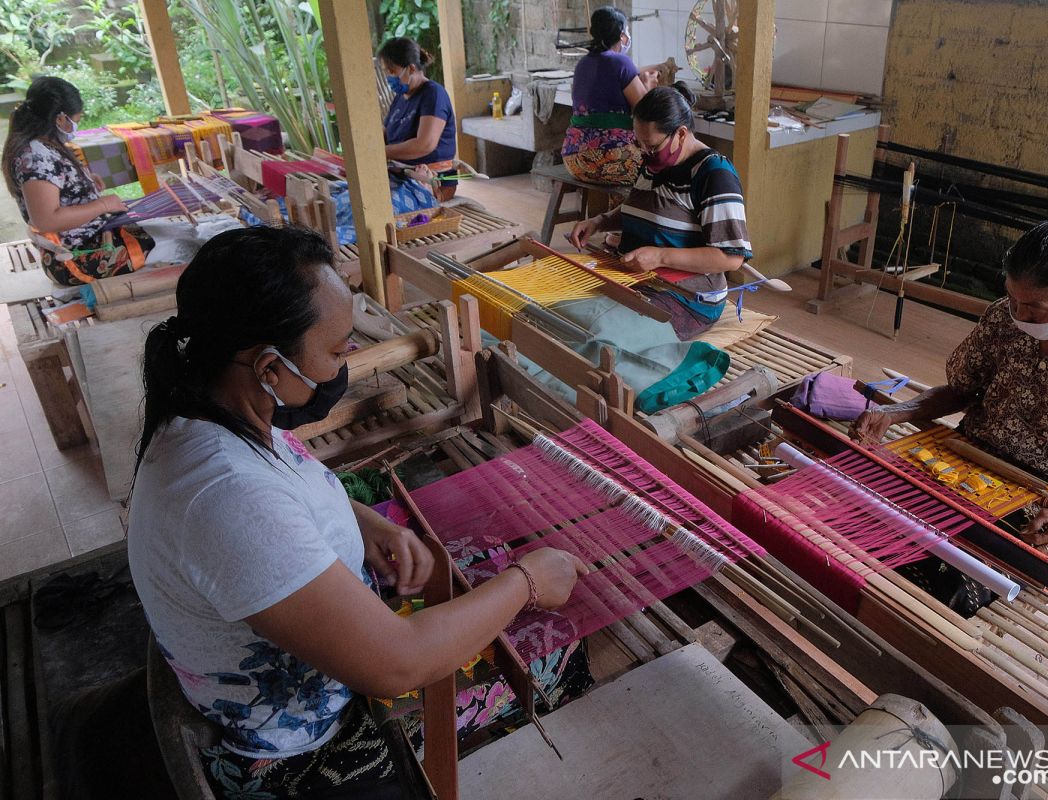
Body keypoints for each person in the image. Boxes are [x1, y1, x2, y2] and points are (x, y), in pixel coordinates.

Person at [126, 225, 586, 799]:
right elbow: (396, 665)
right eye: (337, 349)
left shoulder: (215, 409)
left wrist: (365, 522)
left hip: (296, 674)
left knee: (484, 566)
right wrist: (527, 582)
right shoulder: (224, 497)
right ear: (270, 367)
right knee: (557, 645)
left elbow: (285, 484)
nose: (344, 362)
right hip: (308, 746)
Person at [851, 211, 1048, 575]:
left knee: (1009, 547)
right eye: (1012, 298)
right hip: (973, 455)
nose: (1018, 314)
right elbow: (960, 391)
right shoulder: (1005, 317)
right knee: (872, 494)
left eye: (1035, 309)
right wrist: (897, 412)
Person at [568, 84, 753, 339]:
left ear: (681, 133)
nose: (644, 153)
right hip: (638, 278)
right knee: (566, 312)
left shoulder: (714, 174)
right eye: (639, 144)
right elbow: (643, 206)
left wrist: (661, 257)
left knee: (601, 331)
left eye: (651, 146)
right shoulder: (655, 162)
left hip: (686, 297)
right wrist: (600, 222)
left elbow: (731, 258)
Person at [2, 76, 154, 285]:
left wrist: (84, 182)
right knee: (182, 245)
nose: (76, 126)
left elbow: (55, 184)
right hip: (78, 257)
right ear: (60, 118)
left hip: (89, 238)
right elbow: (46, 220)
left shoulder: (42, 145)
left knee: (168, 231)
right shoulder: (35, 156)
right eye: (77, 119)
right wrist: (102, 204)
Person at [561, 6, 650, 186]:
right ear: (621, 35)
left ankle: (611, 213)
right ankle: (626, 214)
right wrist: (647, 84)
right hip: (607, 159)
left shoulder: (582, 64)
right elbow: (645, 110)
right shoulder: (621, 62)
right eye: (627, 31)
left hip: (573, 160)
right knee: (660, 167)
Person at [377, 37, 459, 201]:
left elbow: (425, 144)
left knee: (377, 206)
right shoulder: (400, 98)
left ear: (411, 69)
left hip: (430, 182)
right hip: (400, 178)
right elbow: (383, 135)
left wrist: (380, 152)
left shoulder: (433, 94)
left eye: (392, 71)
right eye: (386, 72)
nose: (388, 78)